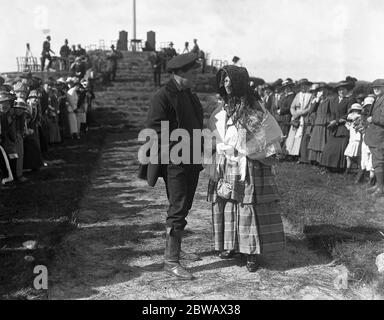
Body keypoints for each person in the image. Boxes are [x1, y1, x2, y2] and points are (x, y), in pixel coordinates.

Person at [207, 65, 285, 273]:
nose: (227, 85)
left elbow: (269, 134)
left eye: (230, 81)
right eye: (224, 81)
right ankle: (231, 245)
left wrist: (248, 149)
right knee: (228, 202)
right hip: (227, 162)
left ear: (239, 82)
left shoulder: (254, 108)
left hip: (248, 165)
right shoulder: (222, 108)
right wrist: (221, 148)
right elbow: (215, 131)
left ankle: (250, 251)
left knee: (246, 203)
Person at [138, 53, 204, 280]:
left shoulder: (189, 95)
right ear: (180, 73)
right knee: (177, 207)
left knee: (183, 206)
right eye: (193, 73)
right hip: (175, 161)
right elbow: (154, 129)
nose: (196, 76)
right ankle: (171, 261)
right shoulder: (162, 96)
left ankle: (176, 250)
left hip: (192, 160)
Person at [321, 81, 355, 172]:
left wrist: (336, 121)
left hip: (343, 127)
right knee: (328, 148)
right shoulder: (334, 100)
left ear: (347, 90)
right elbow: (332, 113)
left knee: (340, 148)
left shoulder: (350, 100)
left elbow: (349, 114)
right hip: (334, 128)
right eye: (339, 90)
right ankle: (328, 166)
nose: (341, 92)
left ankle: (339, 168)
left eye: (343, 90)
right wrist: (330, 122)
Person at [364, 79, 384, 197]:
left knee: (379, 162)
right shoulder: (377, 99)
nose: (376, 89)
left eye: (379, 87)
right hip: (375, 136)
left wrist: (372, 119)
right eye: (374, 87)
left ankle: (381, 188)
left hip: (380, 136)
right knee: (376, 161)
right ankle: (378, 185)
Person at [285, 79, 313, 160]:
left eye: (305, 85)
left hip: (305, 117)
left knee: (302, 135)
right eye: (302, 86)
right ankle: (291, 152)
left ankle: (300, 153)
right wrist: (294, 114)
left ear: (308, 86)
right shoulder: (297, 95)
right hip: (296, 117)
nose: (303, 87)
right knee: (293, 134)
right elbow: (292, 106)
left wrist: (301, 113)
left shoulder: (311, 95)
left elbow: (310, 107)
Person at [307, 83, 332, 164]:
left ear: (327, 90)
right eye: (320, 90)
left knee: (323, 143)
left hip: (325, 123)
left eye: (324, 89)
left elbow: (332, 112)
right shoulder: (318, 100)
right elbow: (311, 111)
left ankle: (321, 160)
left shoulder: (330, 99)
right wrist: (317, 100)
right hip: (317, 123)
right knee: (316, 142)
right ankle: (314, 160)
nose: (322, 91)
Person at [355, 95, 376, 185]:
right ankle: (362, 175)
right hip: (365, 137)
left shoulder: (375, 115)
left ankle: (371, 178)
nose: (368, 108)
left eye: (370, 106)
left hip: (373, 138)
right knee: (364, 156)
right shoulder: (363, 115)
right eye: (366, 106)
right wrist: (361, 128)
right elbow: (361, 125)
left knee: (371, 157)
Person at [344, 103, 363, 175]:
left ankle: (360, 171)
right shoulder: (350, 117)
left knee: (357, 156)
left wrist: (354, 121)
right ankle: (348, 169)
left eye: (357, 110)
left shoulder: (360, 118)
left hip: (357, 139)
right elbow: (349, 128)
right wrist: (347, 123)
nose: (355, 111)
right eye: (354, 110)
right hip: (352, 139)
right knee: (348, 156)